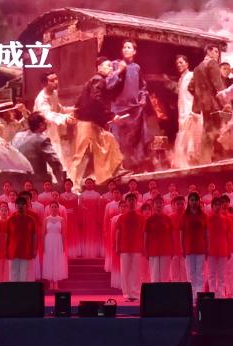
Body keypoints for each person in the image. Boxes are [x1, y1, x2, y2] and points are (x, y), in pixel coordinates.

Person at [71, 56, 125, 189]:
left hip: (92, 122)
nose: (111, 68)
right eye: (108, 66)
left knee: (109, 139)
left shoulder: (97, 81)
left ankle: (115, 171)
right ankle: (73, 186)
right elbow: (96, 99)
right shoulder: (98, 80)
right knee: (82, 154)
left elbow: (84, 101)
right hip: (87, 122)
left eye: (111, 66)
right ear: (99, 68)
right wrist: (111, 115)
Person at [108, 40, 151, 171]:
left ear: (134, 51)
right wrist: (119, 71)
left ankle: (136, 167)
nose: (126, 49)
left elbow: (142, 86)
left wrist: (142, 97)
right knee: (117, 140)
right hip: (118, 109)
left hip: (133, 110)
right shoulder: (115, 64)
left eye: (129, 47)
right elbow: (108, 84)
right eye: (124, 47)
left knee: (134, 140)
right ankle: (119, 168)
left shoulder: (137, 68)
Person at [34, 72, 77, 171]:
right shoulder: (42, 99)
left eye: (56, 79)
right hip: (45, 132)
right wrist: (65, 118)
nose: (56, 82)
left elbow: (59, 109)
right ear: (44, 83)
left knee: (64, 156)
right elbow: (48, 114)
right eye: (52, 80)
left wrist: (73, 109)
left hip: (55, 130)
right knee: (54, 158)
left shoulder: (54, 93)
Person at [190, 45, 226, 161]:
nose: (217, 54)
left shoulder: (197, 68)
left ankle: (205, 158)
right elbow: (218, 84)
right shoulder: (212, 64)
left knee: (207, 130)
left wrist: (201, 97)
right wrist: (226, 102)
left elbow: (190, 87)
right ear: (208, 52)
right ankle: (217, 158)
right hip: (214, 103)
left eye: (218, 52)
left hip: (203, 105)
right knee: (217, 130)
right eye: (215, 51)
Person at [13, 113, 67, 184]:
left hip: (17, 180)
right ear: (41, 124)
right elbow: (55, 163)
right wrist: (61, 183)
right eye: (45, 120)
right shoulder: (41, 140)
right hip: (36, 182)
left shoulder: (17, 136)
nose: (47, 121)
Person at [115, 193, 146, 301]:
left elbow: (144, 234)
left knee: (136, 271)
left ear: (136, 202)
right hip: (124, 248)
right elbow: (118, 233)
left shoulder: (141, 218)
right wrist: (117, 246)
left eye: (133, 200)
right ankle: (126, 294)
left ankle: (135, 293)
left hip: (137, 247)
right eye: (129, 200)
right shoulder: (121, 218)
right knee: (125, 271)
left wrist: (144, 247)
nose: (131, 202)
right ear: (126, 202)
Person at [7, 196, 37, 281]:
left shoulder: (31, 220)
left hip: (26, 250)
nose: (20, 206)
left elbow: (34, 236)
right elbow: (7, 236)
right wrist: (6, 250)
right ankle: (14, 289)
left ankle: (22, 289)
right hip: (13, 251)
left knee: (24, 274)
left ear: (26, 206)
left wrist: (34, 250)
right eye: (18, 204)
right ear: (15, 206)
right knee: (13, 274)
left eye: (23, 204)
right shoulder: (11, 220)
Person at [144, 199, 173, 283]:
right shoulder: (149, 220)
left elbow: (171, 236)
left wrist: (172, 250)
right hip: (153, 251)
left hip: (166, 251)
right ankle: (155, 291)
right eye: (157, 203)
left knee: (165, 276)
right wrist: (146, 251)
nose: (159, 205)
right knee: (154, 275)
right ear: (153, 205)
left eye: (160, 203)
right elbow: (146, 237)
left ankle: (163, 291)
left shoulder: (168, 219)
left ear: (163, 205)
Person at [41, 201, 68, 290]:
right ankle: (50, 282)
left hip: (58, 241)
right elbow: (43, 234)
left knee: (57, 260)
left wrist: (63, 246)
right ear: (49, 208)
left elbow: (63, 234)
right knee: (49, 260)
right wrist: (43, 246)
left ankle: (56, 282)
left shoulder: (61, 219)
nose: (54, 209)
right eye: (52, 207)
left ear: (58, 208)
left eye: (55, 207)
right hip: (48, 241)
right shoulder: (46, 220)